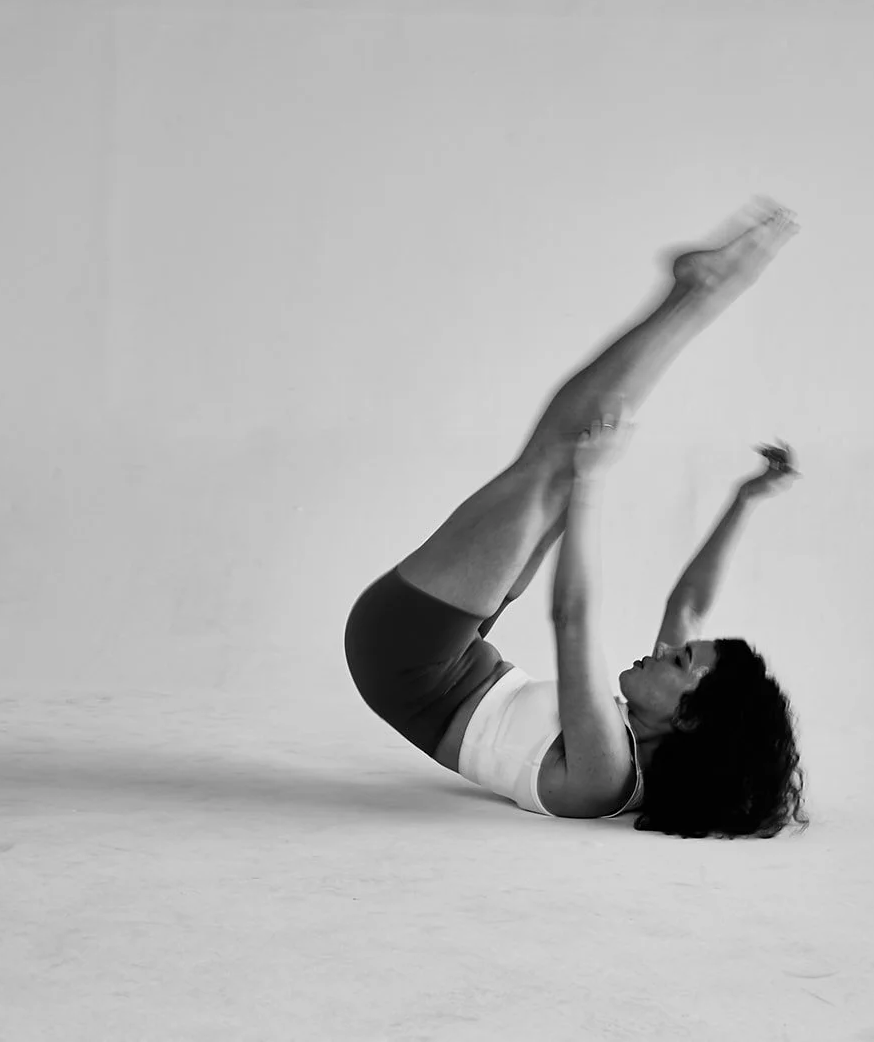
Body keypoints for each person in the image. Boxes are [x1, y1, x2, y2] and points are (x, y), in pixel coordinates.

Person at [345, 199, 809, 838]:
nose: (666, 651)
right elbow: (690, 606)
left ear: (689, 720)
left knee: (558, 465)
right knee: (557, 466)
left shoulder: (605, 773)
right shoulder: (650, 722)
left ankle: (693, 296)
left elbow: (572, 619)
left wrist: (592, 486)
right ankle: (693, 294)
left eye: (678, 664)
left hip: (408, 657)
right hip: (460, 649)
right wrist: (744, 501)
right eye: (677, 653)